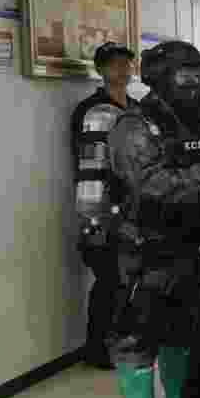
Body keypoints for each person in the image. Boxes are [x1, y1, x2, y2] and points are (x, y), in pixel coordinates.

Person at [106, 40, 200, 398]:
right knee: (137, 331)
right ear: (160, 80)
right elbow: (150, 184)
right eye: (186, 77)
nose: (196, 85)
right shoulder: (135, 126)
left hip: (193, 246)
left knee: (182, 329)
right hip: (145, 247)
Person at [71, 42, 139, 370]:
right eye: (114, 65)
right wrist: (94, 219)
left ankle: (120, 343)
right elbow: (92, 169)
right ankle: (97, 349)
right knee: (109, 280)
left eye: (126, 64)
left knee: (126, 281)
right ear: (101, 70)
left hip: (132, 211)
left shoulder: (136, 108)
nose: (122, 71)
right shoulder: (95, 112)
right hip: (100, 211)